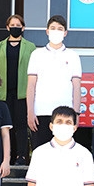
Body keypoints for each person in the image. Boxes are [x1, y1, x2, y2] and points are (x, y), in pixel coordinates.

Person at [26, 15, 82, 150]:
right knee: (40, 151)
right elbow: (31, 85)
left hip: (65, 113)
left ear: (65, 33)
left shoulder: (73, 55)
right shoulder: (36, 54)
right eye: (53, 28)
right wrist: (30, 112)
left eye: (60, 29)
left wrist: (76, 113)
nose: (56, 31)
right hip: (41, 112)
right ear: (47, 31)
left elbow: (76, 87)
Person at [0, 14, 36, 165]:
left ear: (23, 28)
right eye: (12, 25)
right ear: (7, 27)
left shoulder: (30, 47)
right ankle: (8, 155)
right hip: (4, 93)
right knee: (6, 125)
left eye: (18, 25)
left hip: (22, 92)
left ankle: (21, 156)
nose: (15, 28)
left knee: (21, 125)